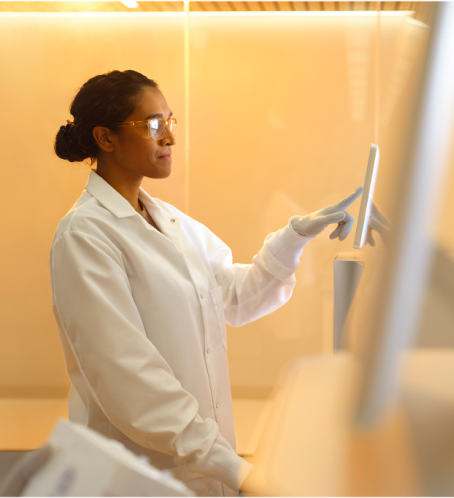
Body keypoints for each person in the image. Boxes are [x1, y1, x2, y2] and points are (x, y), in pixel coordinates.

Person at [50, 70, 362, 497]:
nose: (170, 138)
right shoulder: (84, 236)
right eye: (153, 125)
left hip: (202, 468)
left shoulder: (171, 222)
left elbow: (234, 298)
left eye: (170, 122)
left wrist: (296, 235)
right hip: (139, 478)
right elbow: (128, 377)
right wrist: (233, 468)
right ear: (106, 139)